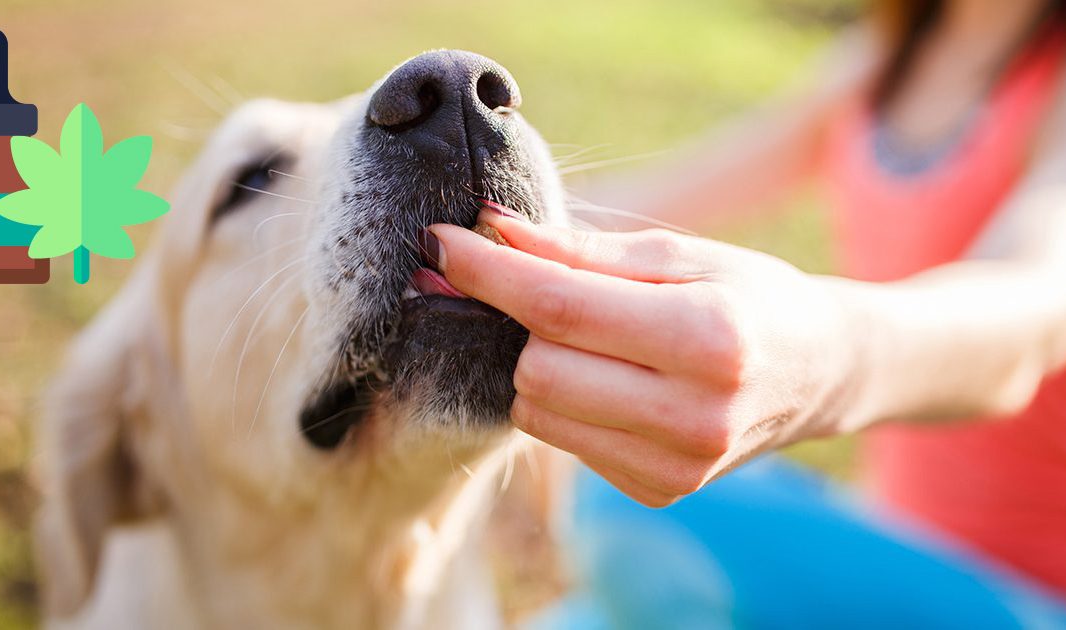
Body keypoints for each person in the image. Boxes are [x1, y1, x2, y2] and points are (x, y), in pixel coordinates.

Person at [419, 0, 1066, 626]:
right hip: (884, 548)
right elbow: (662, 195)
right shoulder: (887, 60)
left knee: (637, 512)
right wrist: (476, 215)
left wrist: (826, 358)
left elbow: (1024, 320)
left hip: (1026, 598)